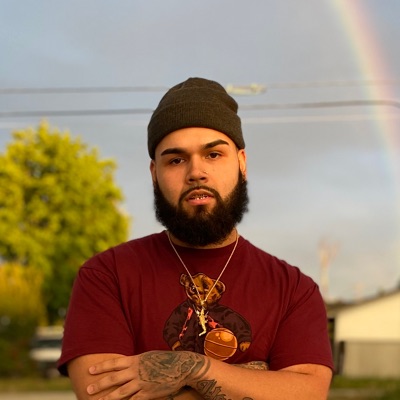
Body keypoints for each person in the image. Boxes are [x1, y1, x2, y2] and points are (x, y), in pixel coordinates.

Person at [58, 77, 333, 399]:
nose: (196, 173)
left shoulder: (293, 289)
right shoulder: (106, 276)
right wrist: (255, 377)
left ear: (242, 163)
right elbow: (102, 394)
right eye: (176, 160)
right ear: (154, 174)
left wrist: (189, 368)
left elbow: (308, 393)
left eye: (213, 155)